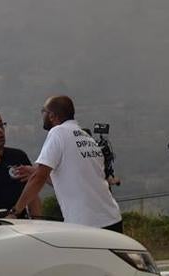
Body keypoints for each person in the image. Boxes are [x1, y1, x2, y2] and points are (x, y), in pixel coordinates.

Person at [9, 95, 123, 231]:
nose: (42, 116)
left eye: (43, 111)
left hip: (87, 224)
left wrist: (15, 212)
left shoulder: (58, 132)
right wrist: (35, 171)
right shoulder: (86, 137)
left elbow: (39, 178)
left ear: (51, 116)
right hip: (112, 218)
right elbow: (71, 180)